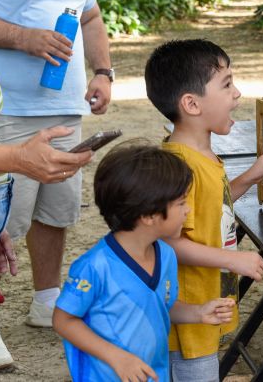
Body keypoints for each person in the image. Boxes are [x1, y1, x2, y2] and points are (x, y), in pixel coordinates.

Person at [0, 0, 112, 333]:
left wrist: (102, 71)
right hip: (11, 109)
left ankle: (46, 299)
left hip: (65, 107)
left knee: (56, 209)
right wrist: (24, 38)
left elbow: (91, 18)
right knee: (2, 218)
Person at [144, 39, 263, 381]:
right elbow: (167, 241)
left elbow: (211, 207)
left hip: (205, 304)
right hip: (187, 317)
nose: (237, 94)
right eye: (226, 84)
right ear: (192, 104)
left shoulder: (202, 156)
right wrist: (232, 260)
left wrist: (251, 176)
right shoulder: (181, 166)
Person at [52, 144, 236, 382]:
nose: (188, 209)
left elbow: (162, 306)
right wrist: (117, 358)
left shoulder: (166, 255)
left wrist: (198, 312)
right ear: (149, 215)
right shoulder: (95, 266)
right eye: (181, 203)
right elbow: (63, 320)